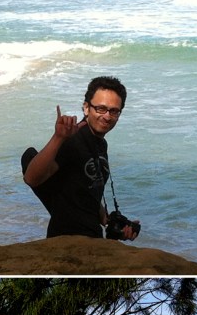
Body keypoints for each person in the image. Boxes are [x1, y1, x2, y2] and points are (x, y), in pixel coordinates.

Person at [21, 75, 139, 240]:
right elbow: (31, 178)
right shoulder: (72, 139)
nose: (107, 116)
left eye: (114, 111)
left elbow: (84, 188)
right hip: (67, 239)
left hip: (92, 236)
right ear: (86, 108)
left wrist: (109, 221)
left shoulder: (99, 143)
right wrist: (58, 137)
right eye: (101, 108)